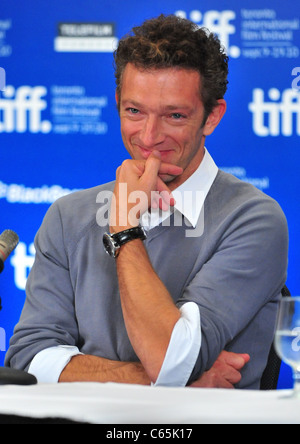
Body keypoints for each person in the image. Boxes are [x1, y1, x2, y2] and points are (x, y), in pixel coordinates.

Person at [5, 15, 288, 389]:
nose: (149, 137)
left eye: (174, 115)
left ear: (212, 116)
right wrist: (153, 381)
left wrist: (124, 227)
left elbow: (169, 358)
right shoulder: (67, 216)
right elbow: (29, 360)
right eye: (134, 111)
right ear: (118, 103)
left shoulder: (253, 219)